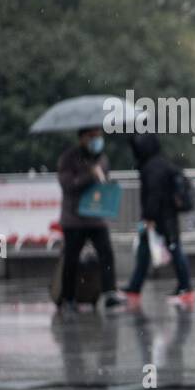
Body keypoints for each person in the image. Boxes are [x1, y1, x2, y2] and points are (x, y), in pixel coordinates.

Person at [56, 126, 126, 314]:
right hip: (74, 219)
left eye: (99, 136)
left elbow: (104, 182)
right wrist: (89, 175)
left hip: (96, 217)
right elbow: (68, 185)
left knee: (106, 253)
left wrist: (106, 184)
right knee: (71, 258)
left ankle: (109, 292)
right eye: (92, 136)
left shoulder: (102, 158)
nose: (96, 140)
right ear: (82, 138)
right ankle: (68, 297)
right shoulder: (68, 158)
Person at [122, 132, 193, 309]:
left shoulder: (151, 167)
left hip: (160, 218)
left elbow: (153, 194)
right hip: (166, 217)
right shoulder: (160, 162)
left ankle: (185, 288)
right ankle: (135, 287)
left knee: (173, 250)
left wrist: (149, 217)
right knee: (148, 250)